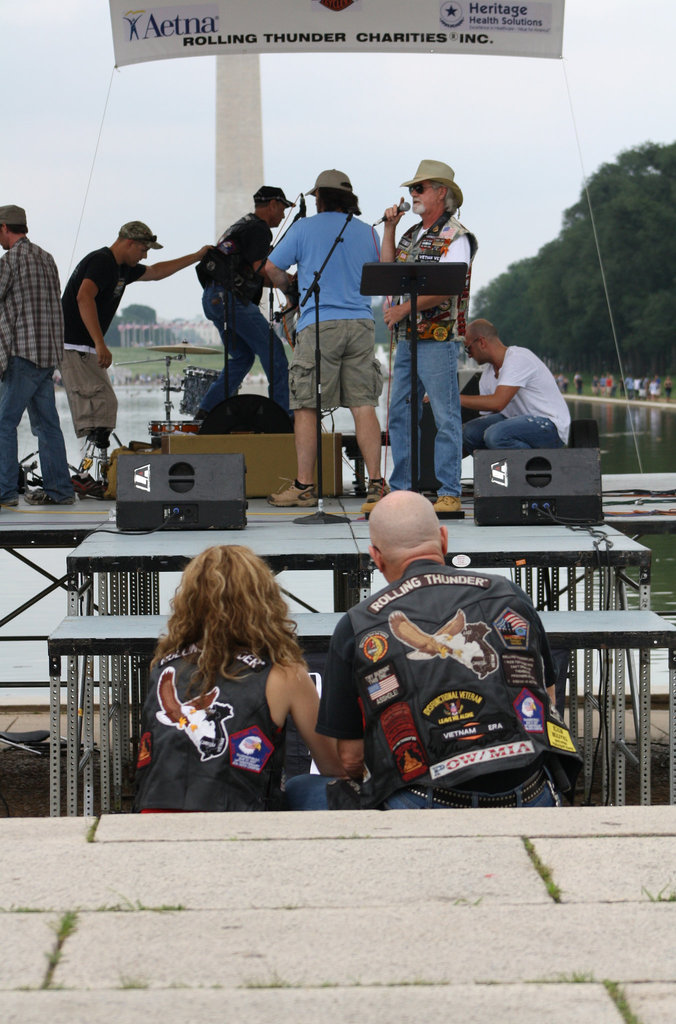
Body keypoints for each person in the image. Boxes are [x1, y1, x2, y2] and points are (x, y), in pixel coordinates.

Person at [312, 490, 580, 810]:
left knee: (303, 789)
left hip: (426, 802)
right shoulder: (509, 595)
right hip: (530, 793)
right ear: (443, 539)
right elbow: (547, 700)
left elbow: (351, 760)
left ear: (376, 556)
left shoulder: (357, 625)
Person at [134, 545, 343, 812]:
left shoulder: (162, 667)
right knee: (308, 786)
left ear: (188, 602)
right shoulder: (286, 674)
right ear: (265, 601)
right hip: (238, 823)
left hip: (151, 819)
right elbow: (334, 765)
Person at [264, 170, 385, 512]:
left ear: (319, 197)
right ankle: (376, 484)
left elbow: (271, 269)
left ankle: (304, 486)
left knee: (306, 406)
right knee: (363, 404)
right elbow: (381, 273)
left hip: (320, 324)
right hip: (362, 324)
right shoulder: (368, 232)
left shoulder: (303, 229)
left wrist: (292, 287)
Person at [61, 222, 209, 498]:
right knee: (97, 409)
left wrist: (197, 256)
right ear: (128, 242)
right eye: (142, 249)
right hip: (76, 344)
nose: (144, 256)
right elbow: (84, 297)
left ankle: (87, 472)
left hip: (86, 346)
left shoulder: (122, 269)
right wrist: (100, 342)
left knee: (102, 410)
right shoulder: (102, 262)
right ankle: (81, 474)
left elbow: (155, 273)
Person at [380, 159, 478, 516]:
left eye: (419, 188)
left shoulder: (457, 236)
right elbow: (389, 272)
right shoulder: (411, 234)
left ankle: (449, 491)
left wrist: (404, 310)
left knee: (444, 415)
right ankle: (402, 489)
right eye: (411, 189)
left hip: (437, 338)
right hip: (407, 339)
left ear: (442, 192)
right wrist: (390, 228)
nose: (412, 194)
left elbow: (449, 287)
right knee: (400, 414)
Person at [197, 186, 294, 421]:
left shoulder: (242, 226)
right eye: (282, 208)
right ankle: (282, 418)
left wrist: (280, 281)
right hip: (231, 299)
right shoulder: (259, 229)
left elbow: (250, 273)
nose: (283, 215)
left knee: (242, 357)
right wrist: (289, 283)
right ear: (272, 204)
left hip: (213, 298)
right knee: (275, 353)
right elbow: (260, 268)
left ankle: (206, 412)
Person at [0, 204, 74, 506]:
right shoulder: (46, 258)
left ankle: (4, 493)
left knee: (3, 424)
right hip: (47, 354)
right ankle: (61, 491)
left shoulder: (10, 260)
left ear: (4, 228)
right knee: (47, 425)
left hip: (22, 354)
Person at [461, 319, 571, 453]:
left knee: (496, 436)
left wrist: (453, 398)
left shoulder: (518, 359)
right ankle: (497, 470)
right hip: (517, 423)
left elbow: (497, 403)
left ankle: (532, 468)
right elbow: (489, 413)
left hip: (550, 427)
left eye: (468, 348)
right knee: (468, 433)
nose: (469, 355)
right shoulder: (486, 376)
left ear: (482, 342)